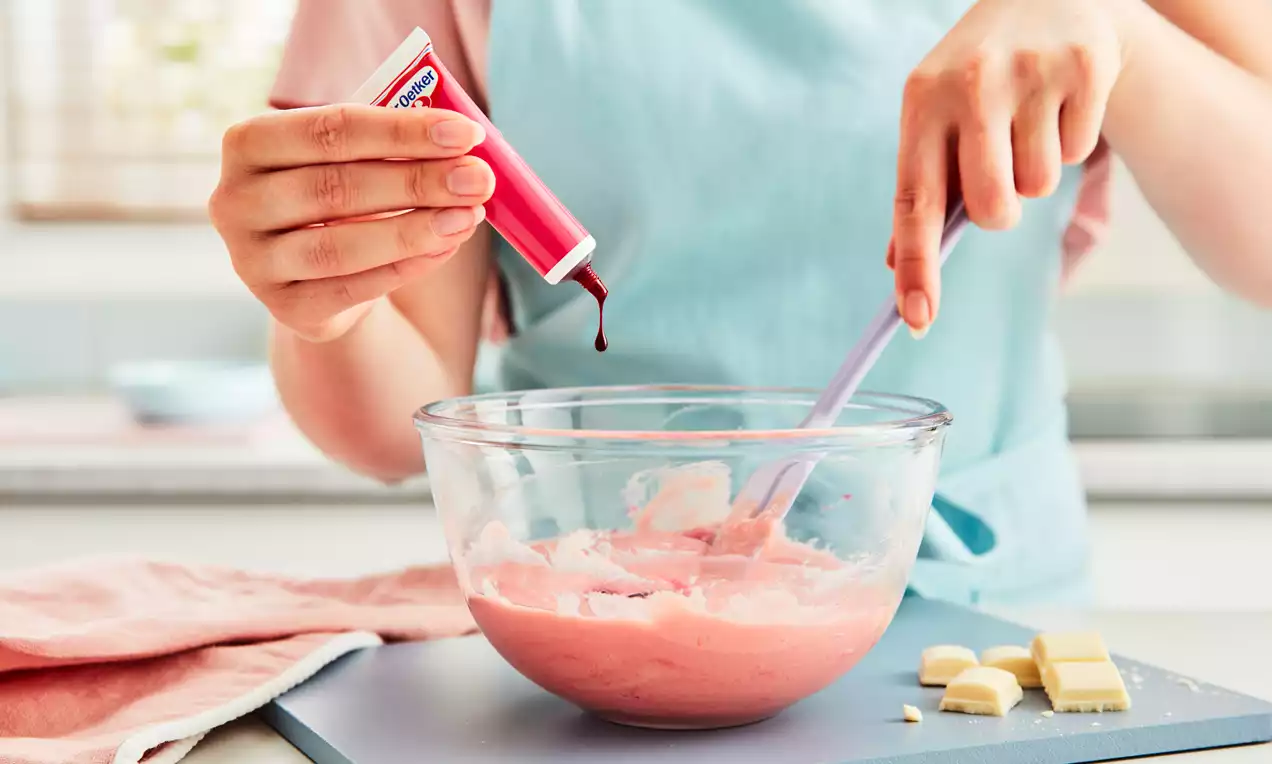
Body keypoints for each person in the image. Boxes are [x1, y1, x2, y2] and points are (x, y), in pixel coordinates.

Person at [209, 0, 1272, 607]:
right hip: (590, 612)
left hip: (981, 620)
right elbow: (398, 423)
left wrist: (1119, 29)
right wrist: (321, 298)